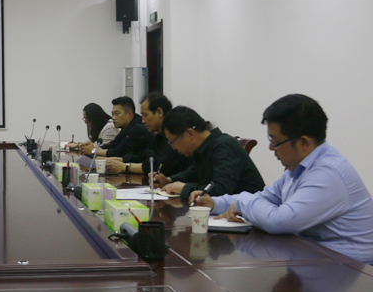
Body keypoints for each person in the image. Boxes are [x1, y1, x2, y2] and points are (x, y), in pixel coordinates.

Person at [194, 94, 373, 264]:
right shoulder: (299, 168)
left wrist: (242, 203)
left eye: (276, 142)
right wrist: (214, 203)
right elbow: (265, 197)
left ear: (304, 143)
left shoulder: (328, 174)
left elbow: (278, 221)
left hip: (352, 269)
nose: (271, 148)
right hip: (316, 258)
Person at [155, 105, 265, 203]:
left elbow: (221, 189)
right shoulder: (204, 148)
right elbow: (192, 173)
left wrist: (185, 188)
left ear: (190, 133)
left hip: (248, 212)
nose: (173, 148)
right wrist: (169, 180)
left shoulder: (224, 146)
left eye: (172, 142)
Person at [103, 92, 193, 176]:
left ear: (159, 112)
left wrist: (125, 166)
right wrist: (119, 160)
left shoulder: (175, 135)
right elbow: (144, 157)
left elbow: (157, 166)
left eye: (145, 115)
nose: (143, 120)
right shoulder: (159, 136)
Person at [78, 96, 153, 162]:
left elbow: (119, 152)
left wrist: (93, 150)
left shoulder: (137, 128)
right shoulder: (126, 127)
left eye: (117, 114)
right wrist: (92, 148)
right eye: (112, 114)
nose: (113, 117)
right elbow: (113, 145)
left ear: (129, 114)